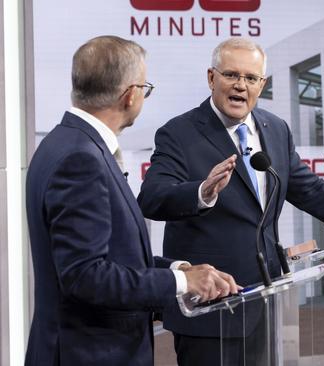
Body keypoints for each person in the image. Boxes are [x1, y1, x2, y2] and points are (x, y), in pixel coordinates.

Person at [137, 37, 324, 365]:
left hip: (266, 302)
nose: (241, 86)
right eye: (231, 75)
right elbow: (152, 198)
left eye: (251, 78)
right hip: (209, 308)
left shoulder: (275, 129)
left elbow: (312, 192)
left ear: (262, 84)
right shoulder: (179, 132)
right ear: (211, 78)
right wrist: (202, 192)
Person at [25, 35, 239, 366]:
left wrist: (179, 269)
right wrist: (181, 282)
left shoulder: (63, 143)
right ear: (130, 95)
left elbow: (108, 255)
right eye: (145, 87)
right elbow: (85, 276)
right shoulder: (80, 158)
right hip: (90, 355)